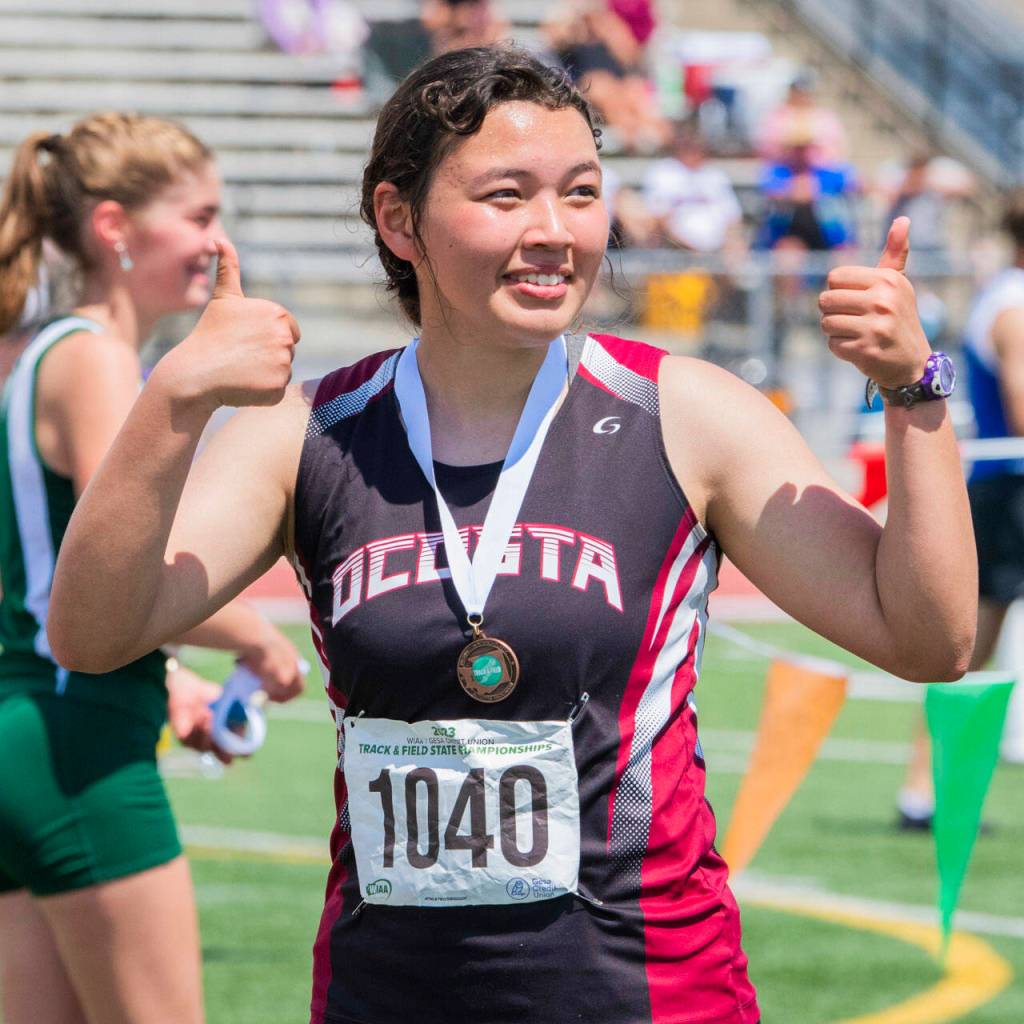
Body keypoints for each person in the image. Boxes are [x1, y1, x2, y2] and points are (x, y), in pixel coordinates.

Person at [48, 47, 974, 1024]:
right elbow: (93, 633)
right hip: (386, 997)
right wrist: (173, 400)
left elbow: (926, 637)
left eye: (580, 193)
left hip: (651, 996)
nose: (553, 232)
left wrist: (914, 393)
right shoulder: (308, 433)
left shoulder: (685, 413)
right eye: (505, 195)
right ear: (397, 219)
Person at [0, 113, 306, 1024]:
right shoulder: (95, 358)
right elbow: (116, 568)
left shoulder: (40, 352)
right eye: (199, 214)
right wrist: (260, 636)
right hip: (75, 741)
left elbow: (42, 573)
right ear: (113, 229)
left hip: (31, 726)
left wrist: (166, 672)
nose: (218, 240)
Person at [897, 189, 1024, 828]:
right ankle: (923, 791)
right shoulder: (1014, 304)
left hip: (1010, 488)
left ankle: (930, 790)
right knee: (963, 652)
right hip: (1011, 490)